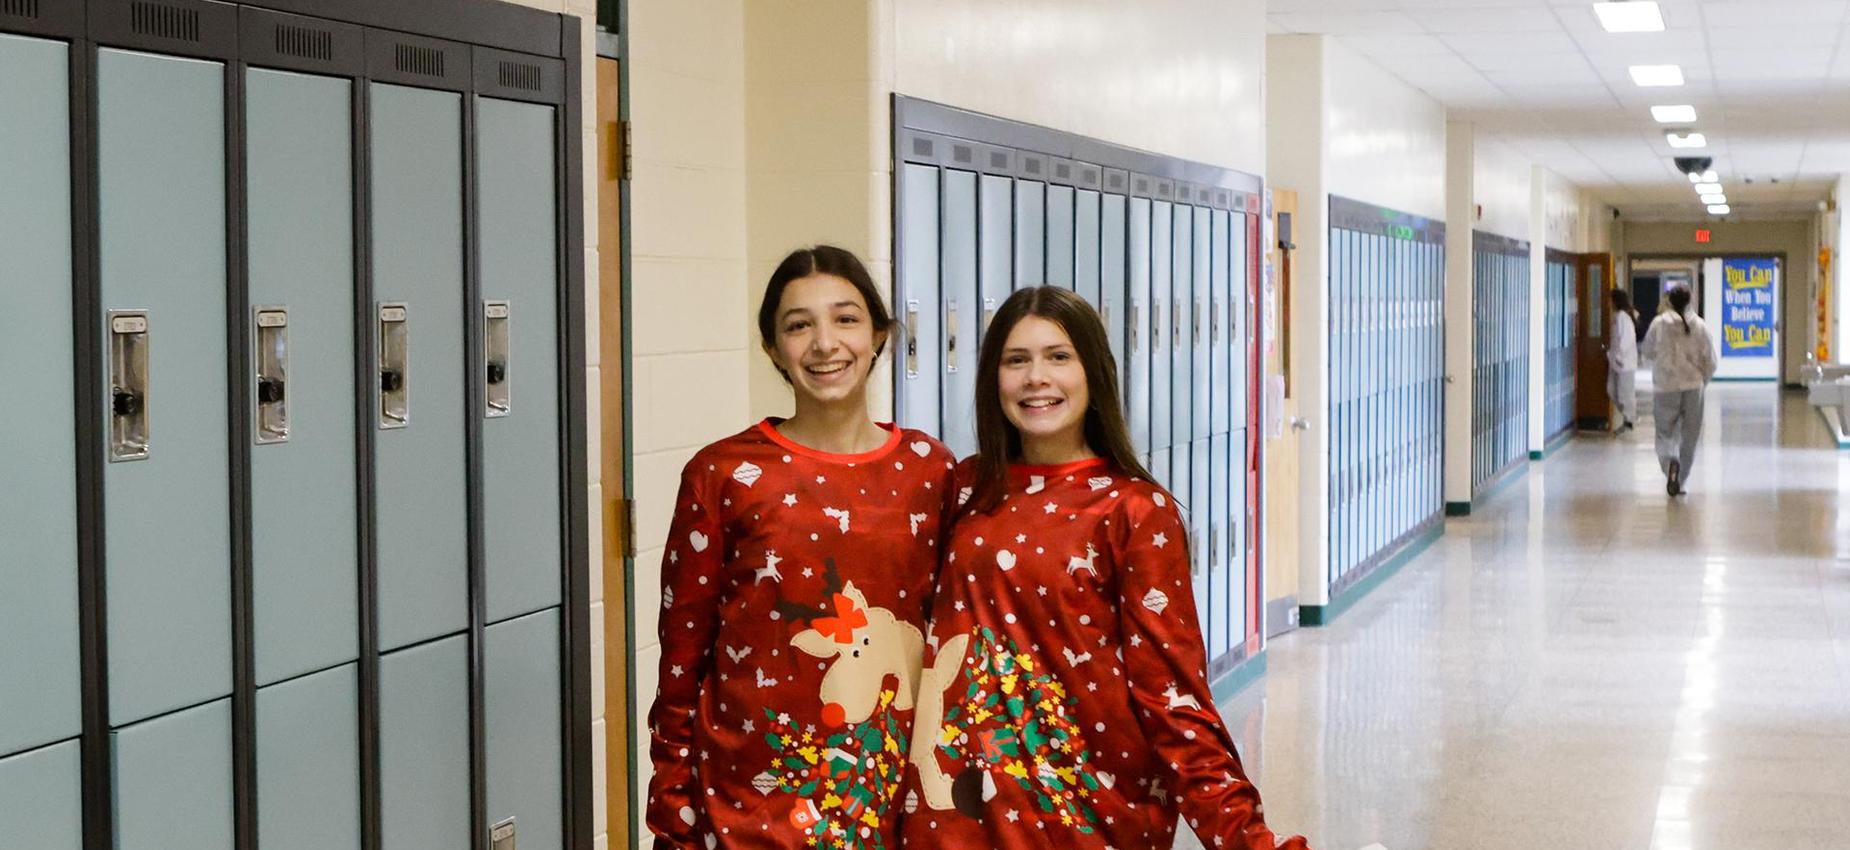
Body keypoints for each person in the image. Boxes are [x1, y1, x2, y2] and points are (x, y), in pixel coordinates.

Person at [901, 286, 1311, 850]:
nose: (1036, 377)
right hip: (958, 819)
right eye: (1016, 360)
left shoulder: (1134, 512)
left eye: (1058, 357)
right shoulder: (965, 489)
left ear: (1095, 372)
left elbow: (1173, 697)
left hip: (1082, 818)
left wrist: (1249, 840)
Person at [646, 245, 956, 850]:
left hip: (888, 797)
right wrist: (673, 807)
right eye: (798, 325)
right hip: (748, 804)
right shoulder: (724, 474)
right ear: (772, 349)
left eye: (845, 319)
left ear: (879, 335)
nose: (824, 343)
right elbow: (681, 660)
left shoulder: (931, 470)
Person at [1640, 284, 1716, 496]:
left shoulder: (1658, 324)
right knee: (1689, 436)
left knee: (1665, 433)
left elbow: (1646, 350)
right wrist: (1703, 380)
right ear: (1690, 301)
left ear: (1669, 302)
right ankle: (1680, 481)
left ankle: (1670, 463)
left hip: (1665, 387)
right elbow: (1711, 360)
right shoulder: (1700, 326)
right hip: (1693, 387)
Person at [1607, 287, 1640, 432]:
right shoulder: (1617, 316)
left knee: (1625, 393)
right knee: (1612, 389)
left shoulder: (1622, 317)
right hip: (1616, 361)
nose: (1609, 303)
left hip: (1624, 362)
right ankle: (1628, 416)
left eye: (1610, 300)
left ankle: (1629, 421)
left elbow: (1626, 339)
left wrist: (1619, 356)